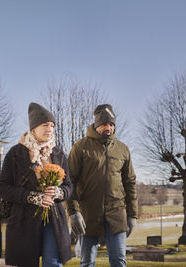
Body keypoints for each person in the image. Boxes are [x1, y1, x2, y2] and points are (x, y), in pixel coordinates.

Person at [0, 102, 72, 267]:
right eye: (45, 125)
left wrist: (58, 192)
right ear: (33, 128)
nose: (50, 129)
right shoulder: (15, 154)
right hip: (24, 220)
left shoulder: (58, 154)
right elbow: (2, 188)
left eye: (52, 125)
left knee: (53, 263)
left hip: (54, 219)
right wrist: (32, 197)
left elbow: (68, 186)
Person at [67, 104, 138, 267]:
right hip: (88, 213)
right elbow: (70, 181)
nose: (109, 127)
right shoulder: (80, 147)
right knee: (87, 262)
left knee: (119, 261)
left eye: (112, 124)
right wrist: (73, 212)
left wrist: (133, 215)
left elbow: (130, 183)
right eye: (105, 124)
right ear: (96, 125)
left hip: (116, 212)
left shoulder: (122, 149)